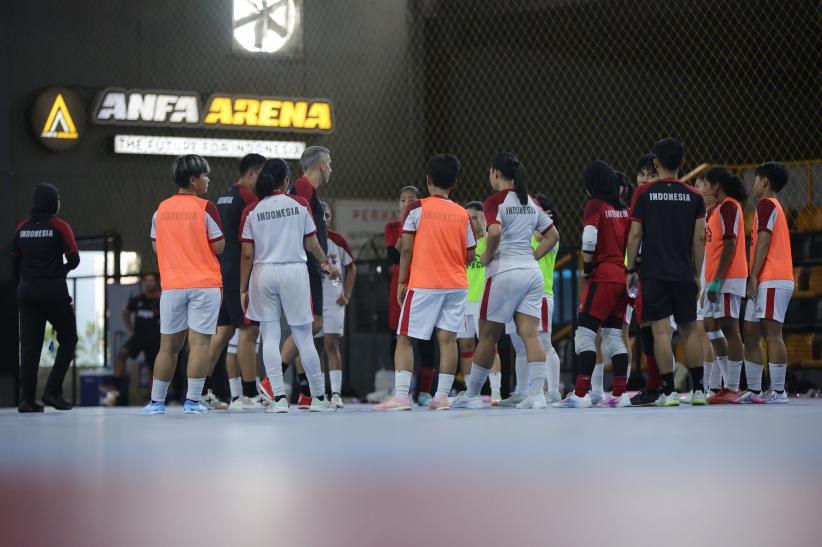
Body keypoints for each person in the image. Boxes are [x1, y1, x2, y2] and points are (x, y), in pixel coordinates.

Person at [453, 153, 558, 410]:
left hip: (504, 272)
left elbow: (495, 231)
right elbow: (553, 235)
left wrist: (487, 256)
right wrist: (531, 256)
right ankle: (537, 395)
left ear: (496, 173)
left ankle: (473, 395)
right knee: (531, 334)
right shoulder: (530, 201)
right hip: (531, 273)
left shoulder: (495, 201)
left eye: (490, 172)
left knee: (488, 336)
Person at [375, 154, 476, 411]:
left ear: (428, 179)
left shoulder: (416, 208)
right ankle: (441, 397)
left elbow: (406, 251)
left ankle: (400, 396)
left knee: (405, 338)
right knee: (448, 339)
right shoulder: (462, 213)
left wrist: (401, 282)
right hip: (456, 284)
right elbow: (471, 254)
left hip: (424, 284)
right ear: (454, 182)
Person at [240, 158, 339, 413]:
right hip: (294, 271)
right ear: (286, 181)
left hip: (263, 273)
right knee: (304, 337)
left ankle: (279, 400)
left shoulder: (252, 210)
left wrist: (242, 289)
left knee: (270, 336)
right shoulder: (300, 204)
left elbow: (247, 255)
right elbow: (312, 244)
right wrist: (326, 262)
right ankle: (318, 399)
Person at [142, 155, 225, 415]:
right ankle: (192, 402)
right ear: (193, 180)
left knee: (168, 347)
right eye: (205, 175)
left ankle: (156, 403)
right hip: (204, 284)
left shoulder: (160, 210)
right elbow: (220, 246)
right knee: (199, 344)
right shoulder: (205, 208)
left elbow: (156, 247)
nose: (208, 180)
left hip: (173, 286)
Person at [625, 138, 705, 407]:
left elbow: (635, 234)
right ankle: (699, 391)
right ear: (683, 163)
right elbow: (699, 239)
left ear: (656, 163)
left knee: (660, 332)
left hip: (653, 272)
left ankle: (668, 392)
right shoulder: (695, 195)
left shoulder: (643, 194)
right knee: (690, 332)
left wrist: (630, 268)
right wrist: (698, 274)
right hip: (683, 272)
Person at [555, 161, 631, 408]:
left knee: (584, 334)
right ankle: (620, 395)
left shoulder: (595, 205)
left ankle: (580, 395)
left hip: (603, 274)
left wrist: (587, 266)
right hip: (621, 275)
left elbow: (589, 237)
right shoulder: (623, 209)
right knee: (613, 336)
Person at [201, 153, 266, 411]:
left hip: (223, 270)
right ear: (251, 173)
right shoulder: (249, 198)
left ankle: (200, 390)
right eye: (262, 175)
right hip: (240, 271)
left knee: (224, 331)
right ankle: (250, 394)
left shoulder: (224, 196)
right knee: (249, 332)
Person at [13, 183, 80, 412]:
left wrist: (26, 279)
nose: (60, 203)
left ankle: (27, 400)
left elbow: (14, 260)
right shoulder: (60, 226)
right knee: (68, 339)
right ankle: (52, 391)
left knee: (29, 347)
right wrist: (57, 272)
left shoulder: (22, 227)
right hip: (53, 290)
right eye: (58, 198)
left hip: (27, 291)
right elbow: (74, 259)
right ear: (52, 202)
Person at [280, 146, 333, 408]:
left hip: (310, 266)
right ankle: (272, 380)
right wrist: (324, 262)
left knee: (306, 328)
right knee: (310, 325)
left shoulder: (308, 190)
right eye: (330, 164)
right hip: (307, 266)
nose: (331, 169)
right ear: (322, 165)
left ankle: (306, 393)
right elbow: (305, 235)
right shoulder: (302, 188)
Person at [379, 185, 438, 406]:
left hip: (423, 284)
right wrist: (407, 226)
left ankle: (424, 391)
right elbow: (394, 256)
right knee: (398, 339)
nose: (406, 203)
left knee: (426, 340)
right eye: (402, 200)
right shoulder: (393, 227)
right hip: (400, 288)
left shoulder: (428, 224)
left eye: (411, 199)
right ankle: (401, 389)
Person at [502, 194, 562, 406]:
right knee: (520, 347)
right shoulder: (524, 234)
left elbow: (539, 236)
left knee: (544, 343)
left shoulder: (548, 236)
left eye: (535, 208)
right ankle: (522, 391)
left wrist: (540, 220)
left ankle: (554, 391)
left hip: (541, 296)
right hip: (516, 295)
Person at [744, 162, 793, 404]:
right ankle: (754, 391)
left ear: (765, 182)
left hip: (773, 278)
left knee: (773, 335)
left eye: (755, 179)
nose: (752, 183)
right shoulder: (768, 206)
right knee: (750, 333)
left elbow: (763, 241)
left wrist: (752, 275)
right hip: (766, 278)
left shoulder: (766, 204)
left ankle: (779, 391)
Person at [699, 168, 749, 404]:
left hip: (728, 278)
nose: (703, 189)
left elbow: (729, 245)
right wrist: (707, 284)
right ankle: (724, 383)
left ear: (716, 186)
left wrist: (717, 281)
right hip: (714, 278)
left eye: (706, 185)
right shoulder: (715, 210)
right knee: (710, 326)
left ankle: (732, 386)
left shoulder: (730, 206)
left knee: (731, 329)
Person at [457, 201, 503, 404]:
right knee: (465, 345)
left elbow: (492, 236)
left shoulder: (488, 242)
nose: (472, 222)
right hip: (462, 300)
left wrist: (485, 224)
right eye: (469, 218)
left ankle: (495, 392)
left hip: (484, 300)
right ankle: (471, 393)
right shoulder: (461, 243)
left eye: (475, 217)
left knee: (488, 345)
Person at [103, 273, 162, 406]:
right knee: (122, 354)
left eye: (151, 280)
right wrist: (130, 329)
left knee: (153, 368)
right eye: (146, 280)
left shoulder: (161, 299)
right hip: (138, 337)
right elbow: (125, 313)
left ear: (156, 283)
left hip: (155, 339)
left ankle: (153, 399)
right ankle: (115, 388)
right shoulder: (137, 299)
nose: (148, 283)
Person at [320, 201, 357, 408]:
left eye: (327, 215)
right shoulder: (307, 240)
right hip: (313, 301)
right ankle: (316, 393)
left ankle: (335, 393)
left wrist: (347, 295)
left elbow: (352, 268)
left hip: (334, 300)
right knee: (312, 347)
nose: (324, 219)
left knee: (331, 344)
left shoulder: (338, 240)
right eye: (321, 215)